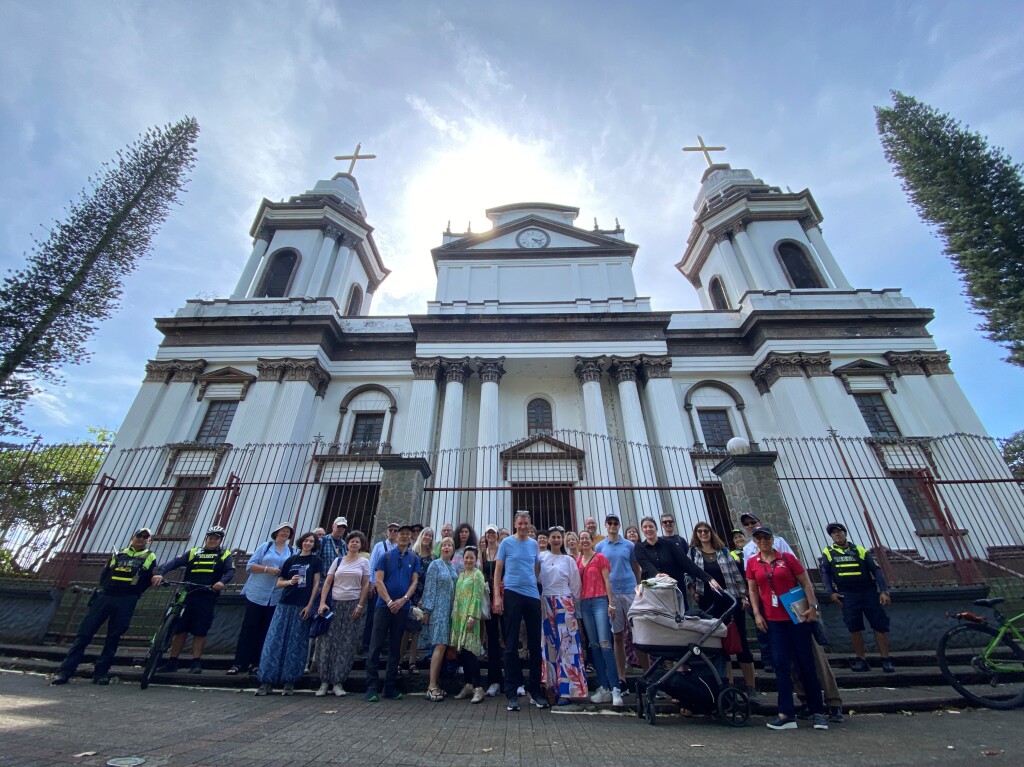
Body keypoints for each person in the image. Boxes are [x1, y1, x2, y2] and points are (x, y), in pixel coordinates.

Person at [746, 525, 828, 731]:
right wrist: (757, 614)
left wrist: (812, 606)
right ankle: (786, 713)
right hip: (773, 620)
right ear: (754, 541)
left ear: (773, 539)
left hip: (797, 616)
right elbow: (753, 590)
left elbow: (806, 582)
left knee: (805, 663)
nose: (763, 541)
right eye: (759, 538)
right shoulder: (752, 563)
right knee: (781, 665)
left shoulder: (787, 559)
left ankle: (818, 711)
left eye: (766, 537)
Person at [51, 528, 157, 686]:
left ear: (149, 540)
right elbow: (105, 574)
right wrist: (108, 587)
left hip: (126, 599)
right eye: (138, 536)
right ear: (132, 537)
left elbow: (147, 579)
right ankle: (65, 671)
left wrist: (134, 593)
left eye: (145, 537)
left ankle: (101, 673)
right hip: (106, 596)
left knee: (113, 637)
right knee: (84, 634)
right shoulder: (118, 554)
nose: (141, 539)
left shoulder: (150, 557)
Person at [153, 526, 234, 674]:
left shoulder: (224, 554)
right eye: (210, 538)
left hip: (207, 594)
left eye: (216, 538)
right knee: (180, 629)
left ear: (220, 540)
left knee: (200, 630)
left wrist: (222, 582)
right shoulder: (193, 552)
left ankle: (196, 663)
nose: (213, 540)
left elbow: (230, 570)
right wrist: (160, 573)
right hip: (188, 593)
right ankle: (172, 661)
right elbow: (174, 562)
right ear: (206, 539)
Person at [685, 522, 755, 693]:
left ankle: (751, 685)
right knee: (719, 643)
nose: (703, 534)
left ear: (711, 533)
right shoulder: (694, 552)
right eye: (699, 531)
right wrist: (693, 590)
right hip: (708, 602)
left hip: (730, 599)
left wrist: (743, 596)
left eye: (706, 531)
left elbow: (736, 575)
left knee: (741, 641)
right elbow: (688, 573)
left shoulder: (723, 552)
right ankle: (727, 685)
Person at [820, 522, 895, 673]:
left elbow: (876, 570)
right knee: (853, 626)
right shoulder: (828, 552)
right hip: (847, 594)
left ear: (845, 533)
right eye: (833, 533)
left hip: (867, 591)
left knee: (879, 624)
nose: (837, 534)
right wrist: (831, 592)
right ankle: (861, 659)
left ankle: (886, 659)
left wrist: (884, 591)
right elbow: (826, 573)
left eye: (839, 532)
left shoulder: (859, 550)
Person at [493, 509, 548, 712]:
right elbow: (499, 570)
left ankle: (535, 690)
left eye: (527, 523)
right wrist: (497, 596)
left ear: (530, 525)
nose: (524, 526)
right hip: (512, 592)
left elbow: (535, 569)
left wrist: (537, 587)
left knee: (534, 643)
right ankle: (512, 692)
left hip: (532, 594)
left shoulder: (534, 545)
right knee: (511, 643)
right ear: (515, 524)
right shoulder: (506, 543)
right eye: (521, 523)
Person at [255, 532, 322, 695]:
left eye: (311, 541)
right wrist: (289, 582)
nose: (307, 543)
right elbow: (278, 582)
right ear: (301, 542)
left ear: (315, 545)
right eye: (306, 540)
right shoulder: (291, 560)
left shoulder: (315, 561)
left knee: (297, 643)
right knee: (274, 641)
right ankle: (267, 680)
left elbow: (316, 584)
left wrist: (310, 605)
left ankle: (289, 680)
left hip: (302, 605)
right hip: (285, 603)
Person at [228, 521, 294, 676]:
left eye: (287, 532)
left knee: (266, 630)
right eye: (282, 531)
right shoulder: (265, 547)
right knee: (249, 628)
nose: (284, 534)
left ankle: (257, 663)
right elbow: (249, 566)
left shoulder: (292, 550)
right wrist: (267, 569)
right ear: (276, 533)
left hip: (276, 595)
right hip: (257, 593)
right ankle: (239, 663)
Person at [365, 523, 420, 702]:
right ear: (396, 537)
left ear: (411, 537)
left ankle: (390, 686)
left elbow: (414, 582)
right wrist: (389, 601)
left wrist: (404, 599)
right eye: (401, 534)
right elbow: (378, 581)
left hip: (402, 607)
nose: (404, 536)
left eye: (407, 534)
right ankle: (372, 687)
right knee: (376, 645)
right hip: (383, 606)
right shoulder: (385, 556)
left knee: (396, 647)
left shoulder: (413, 558)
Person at [315, 530, 370, 696]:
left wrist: (360, 605)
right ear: (347, 544)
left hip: (352, 604)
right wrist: (323, 602)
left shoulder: (363, 562)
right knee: (327, 642)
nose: (354, 544)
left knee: (346, 643)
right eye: (352, 541)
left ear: (361, 546)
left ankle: (338, 682)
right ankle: (324, 681)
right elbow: (328, 582)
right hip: (334, 604)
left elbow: (366, 585)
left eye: (357, 542)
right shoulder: (338, 561)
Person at [594, 513, 641, 703]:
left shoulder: (629, 545)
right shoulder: (600, 546)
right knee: (617, 636)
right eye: (610, 523)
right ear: (605, 526)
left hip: (629, 592)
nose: (613, 526)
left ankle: (647, 674)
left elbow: (636, 567)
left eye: (616, 523)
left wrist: (638, 586)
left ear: (619, 526)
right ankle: (621, 678)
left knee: (640, 633)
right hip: (611, 594)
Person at [539, 527, 586, 705]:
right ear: (548, 540)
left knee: (567, 646)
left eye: (559, 537)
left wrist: (568, 602)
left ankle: (568, 691)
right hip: (546, 601)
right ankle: (551, 688)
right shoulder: (542, 557)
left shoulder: (568, 560)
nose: (557, 540)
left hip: (564, 601)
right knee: (549, 645)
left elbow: (575, 585)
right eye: (554, 537)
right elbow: (537, 577)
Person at [576, 530, 617, 704]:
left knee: (605, 644)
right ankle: (603, 687)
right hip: (585, 604)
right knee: (593, 645)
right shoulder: (578, 560)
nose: (584, 541)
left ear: (591, 541)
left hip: (600, 601)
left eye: (587, 538)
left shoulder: (600, 557)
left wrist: (611, 602)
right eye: (582, 538)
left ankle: (615, 688)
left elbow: (607, 580)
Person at [420, 536, 459, 702]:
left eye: (450, 545)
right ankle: (431, 685)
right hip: (438, 610)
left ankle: (436, 684)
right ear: (439, 548)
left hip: (450, 611)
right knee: (439, 646)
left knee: (444, 647)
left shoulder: (452, 567)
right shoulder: (434, 565)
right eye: (444, 545)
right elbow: (430, 588)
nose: (447, 548)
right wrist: (427, 611)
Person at [449, 546, 488, 703]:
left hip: (471, 617)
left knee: (471, 653)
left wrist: (472, 616)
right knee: (463, 653)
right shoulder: (461, 575)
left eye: (472, 557)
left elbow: (477, 597)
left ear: (476, 559)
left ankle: (479, 687)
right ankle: (468, 684)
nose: (469, 560)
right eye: (466, 557)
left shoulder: (477, 575)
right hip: (459, 617)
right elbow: (457, 597)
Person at [402, 526, 435, 675]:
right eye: (425, 535)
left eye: (430, 536)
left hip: (422, 595)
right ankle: (399, 661)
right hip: (408, 594)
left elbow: (431, 580)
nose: (427, 537)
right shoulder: (411, 554)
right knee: (404, 630)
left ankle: (412, 662)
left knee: (416, 630)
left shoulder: (432, 557)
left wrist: (424, 598)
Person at [364, 521, 399, 652]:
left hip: (391, 588)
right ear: (387, 532)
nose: (393, 533)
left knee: (389, 618)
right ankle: (367, 646)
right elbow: (372, 565)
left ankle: (384, 647)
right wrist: (371, 584)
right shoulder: (380, 546)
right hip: (378, 586)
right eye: (391, 530)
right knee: (373, 618)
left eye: (396, 530)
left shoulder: (399, 548)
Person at [480, 524, 503, 696]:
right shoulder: (482, 554)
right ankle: (494, 680)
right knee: (493, 640)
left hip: (502, 597)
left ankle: (511, 679)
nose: (490, 535)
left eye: (493, 533)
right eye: (488, 533)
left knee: (508, 637)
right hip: (488, 599)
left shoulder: (502, 552)